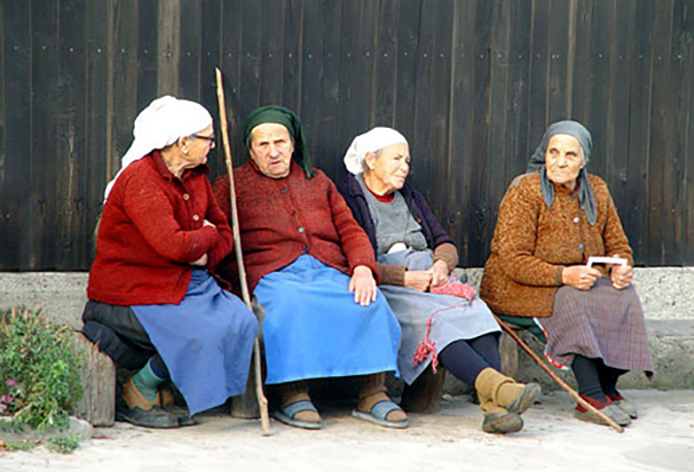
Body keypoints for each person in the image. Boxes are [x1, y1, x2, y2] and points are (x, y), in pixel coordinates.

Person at [337, 127, 541, 434]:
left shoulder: (410, 196)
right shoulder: (349, 196)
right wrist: (404, 278)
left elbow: (444, 241)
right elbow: (349, 257)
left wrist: (442, 265)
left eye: (407, 160)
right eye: (396, 159)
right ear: (370, 159)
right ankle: (501, 393)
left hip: (429, 275)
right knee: (438, 324)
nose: (405, 166)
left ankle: (495, 408)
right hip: (391, 284)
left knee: (476, 312)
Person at [213, 106, 406, 430]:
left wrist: (361, 267)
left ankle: (373, 392)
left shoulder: (317, 181)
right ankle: (293, 394)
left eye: (280, 142)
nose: (273, 152)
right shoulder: (232, 185)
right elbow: (218, 237)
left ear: (294, 144)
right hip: (271, 273)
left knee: (367, 299)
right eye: (263, 145)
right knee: (290, 305)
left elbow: (350, 230)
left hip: (328, 268)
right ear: (250, 150)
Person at [82, 96, 258, 428]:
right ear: (183, 142)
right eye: (207, 138)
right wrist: (204, 238)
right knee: (202, 333)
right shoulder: (141, 180)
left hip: (188, 284)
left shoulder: (196, 177)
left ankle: (161, 386)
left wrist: (203, 249)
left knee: (242, 322)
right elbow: (174, 246)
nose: (213, 146)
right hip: (138, 289)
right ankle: (142, 387)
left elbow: (224, 232)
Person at [480, 120, 653, 427]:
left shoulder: (596, 189)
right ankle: (589, 396)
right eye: (553, 152)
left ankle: (608, 386)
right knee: (573, 299)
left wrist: (621, 267)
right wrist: (563, 275)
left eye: (570, 155)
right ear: (543, 154)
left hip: (575, 281)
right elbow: (511, 259)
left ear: (583, 159)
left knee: (623, 293)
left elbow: (618, 244)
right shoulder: (525, 189)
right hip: (516, 287)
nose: (560, 161)